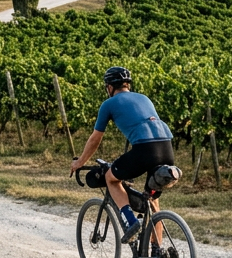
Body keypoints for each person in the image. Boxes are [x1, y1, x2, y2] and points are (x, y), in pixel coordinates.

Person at [70, 66, 174, 247]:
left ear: (110, 87)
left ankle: (130, 221)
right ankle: (158, 253)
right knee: (153, 200)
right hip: (166, 147)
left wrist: (80, 162)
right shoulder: (144, 98)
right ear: (127, 85)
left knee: (111, 178)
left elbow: (96, 138)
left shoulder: (108, 104)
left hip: (145, 148)